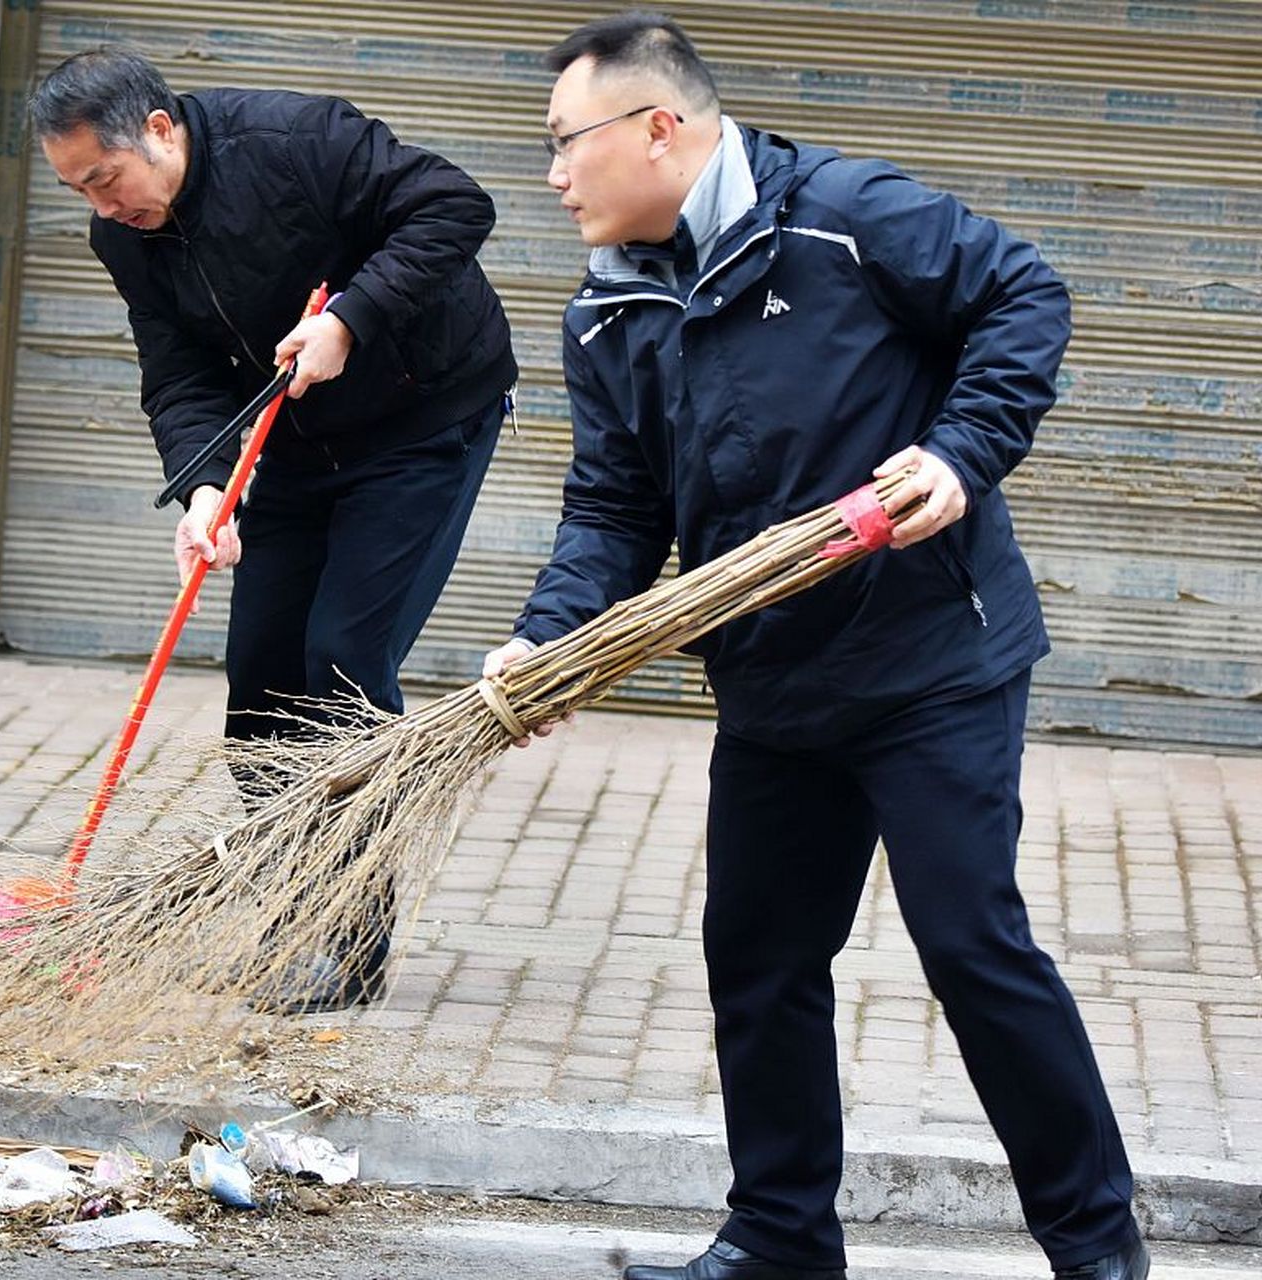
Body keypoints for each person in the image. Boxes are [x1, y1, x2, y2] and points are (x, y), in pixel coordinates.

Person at [484, 13, 1147, 1280]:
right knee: (762, 955)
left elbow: (1023, 293)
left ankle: (1095, 1244)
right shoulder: (606, 311)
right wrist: (545, 639)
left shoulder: (846, 215)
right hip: (776, 680)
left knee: (971, 943)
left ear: (657, 128)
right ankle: (782, 1240)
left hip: (929, 660)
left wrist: (959, 454)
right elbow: (615, 504)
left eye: (567, 144)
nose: (555, 175)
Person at [31, 50, 516, 1013]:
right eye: (76, 189)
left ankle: (352, 941)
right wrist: (206, 491)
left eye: (104, 178)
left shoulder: (297, 142)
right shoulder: (124, 236)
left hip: (424, 422)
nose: (100, 205)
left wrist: (353, 319)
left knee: (341, 660)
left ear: (160, 132)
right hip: (288, 441)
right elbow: (174, 372)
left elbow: (456, 206)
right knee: (259, 683)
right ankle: (301, 906)